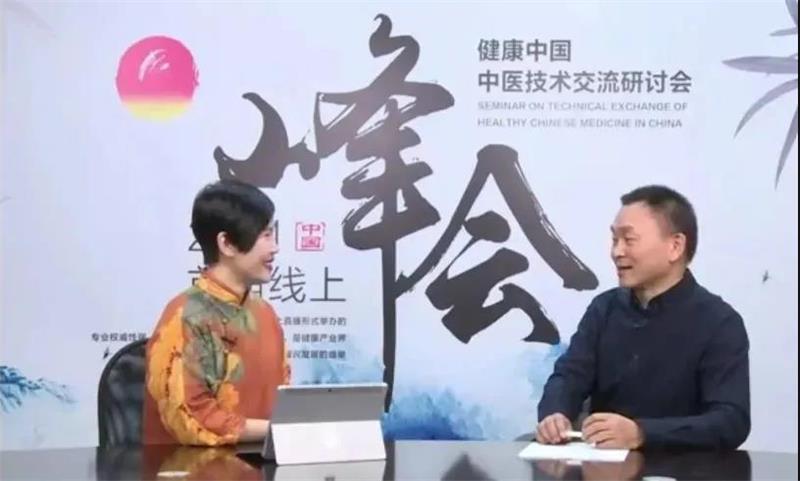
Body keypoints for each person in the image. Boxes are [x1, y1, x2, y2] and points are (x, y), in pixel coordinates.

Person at [536, 185, 750, 450]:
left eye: (629, 240)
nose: (617, 252)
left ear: (675, 246)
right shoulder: (604, 309)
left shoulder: (719, 322)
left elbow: (731, 421)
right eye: (614, 240)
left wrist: (642, 433)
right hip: (602, 464)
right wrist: (555, 414)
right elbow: (569, 375)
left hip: (684, 465)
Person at [143, 179, 289, 445]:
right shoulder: (185, 317)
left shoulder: (266, 313)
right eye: (266, 235)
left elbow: (284, 400)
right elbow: (192, 420)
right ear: (227, 244)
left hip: (264, 461)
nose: (275, 247)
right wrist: (276, 430)